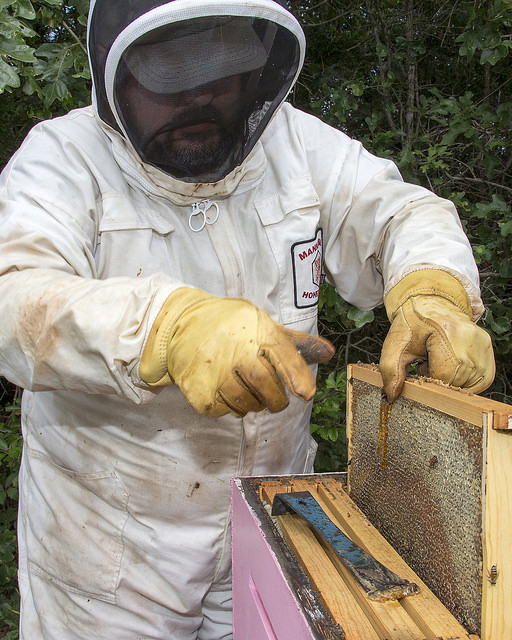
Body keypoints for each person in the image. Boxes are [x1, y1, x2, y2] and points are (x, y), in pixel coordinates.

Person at [0, 0, 495, 638]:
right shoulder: (63, 159)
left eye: (221, 72)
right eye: (169, 79)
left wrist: (433, 291)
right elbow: (14, 294)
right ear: (113, 72)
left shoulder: (294, 144)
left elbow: (399, 211)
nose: (199, 98)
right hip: (112, 555)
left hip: (274, 517)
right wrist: (164, 327)